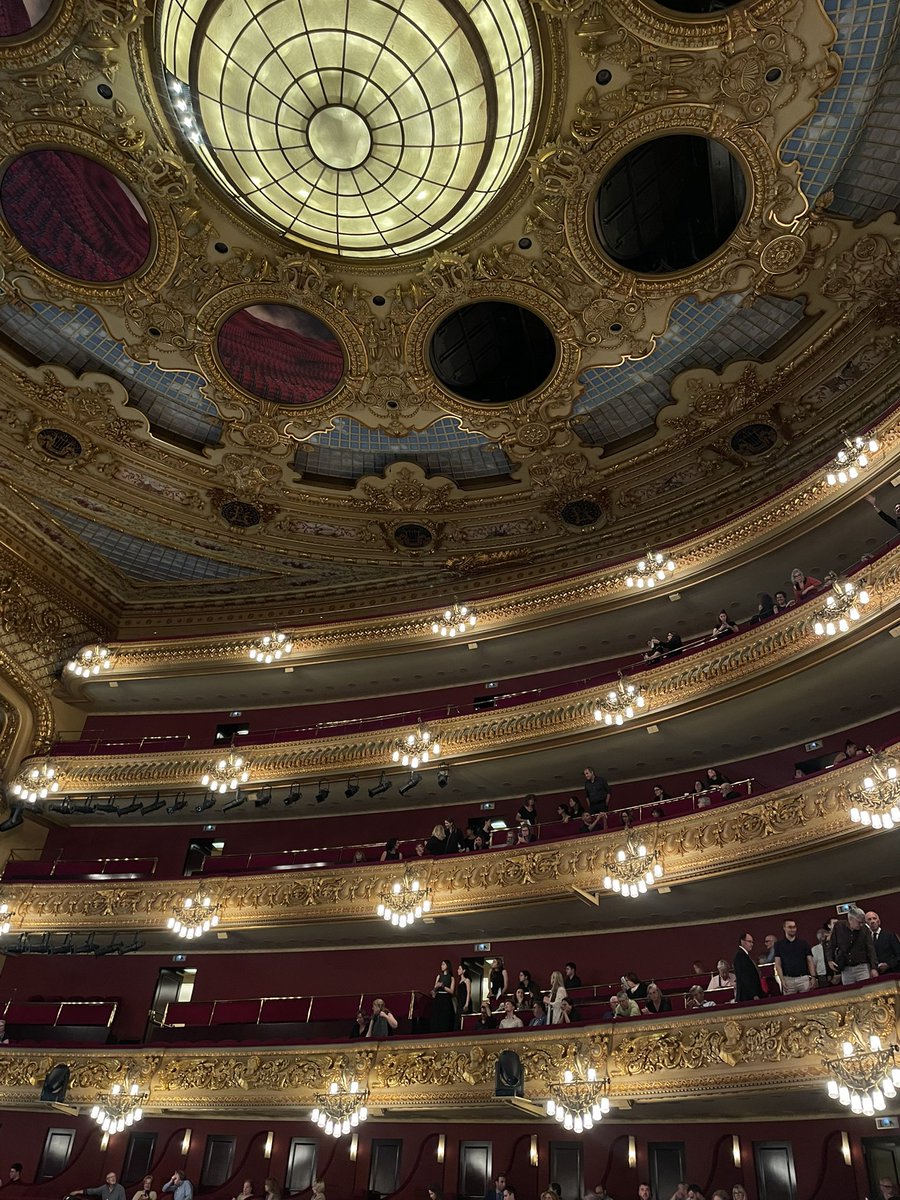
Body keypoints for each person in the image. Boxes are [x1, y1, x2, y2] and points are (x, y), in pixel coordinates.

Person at [827, 905, 878, 984]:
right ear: (850, 919)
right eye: (859, 922)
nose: (861, 925)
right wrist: (829, 959)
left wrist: (873, 968)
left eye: (863, 922)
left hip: (862, 967)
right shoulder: (839, 926)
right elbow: (832, 944)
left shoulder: (865, 929)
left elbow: (870, 949)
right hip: (846, 968)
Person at [774, 918, 816, 993]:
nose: (793, 929)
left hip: (803, 978)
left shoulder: (803, 943)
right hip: (788, 979)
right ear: (784, 928)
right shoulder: (778, 945)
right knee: (789, 1003)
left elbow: (810, 961)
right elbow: (778, 964)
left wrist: (813, 977)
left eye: (794, 927)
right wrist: (782, 980)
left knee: (808, 1002)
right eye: (790, 927)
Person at [733, 932, 765, 1001]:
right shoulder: (740, 956)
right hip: (747, 996)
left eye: (752, 942)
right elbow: (745, 977)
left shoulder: (743, 955)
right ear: (742, 941)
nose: (752, 944)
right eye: (749, 941)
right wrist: (754, 994)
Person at [430, 959, 456, 1032]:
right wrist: (435, 988)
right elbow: (434, 988)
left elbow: (451, 991)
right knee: (436, 1016)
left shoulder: (451, 978)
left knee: (444, 1017)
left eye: (443, 964)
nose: (441, 966)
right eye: (441, 964)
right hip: (438, 998)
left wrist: (443, 986)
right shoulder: (439, 976)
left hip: (446, 998)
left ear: (447, 966)